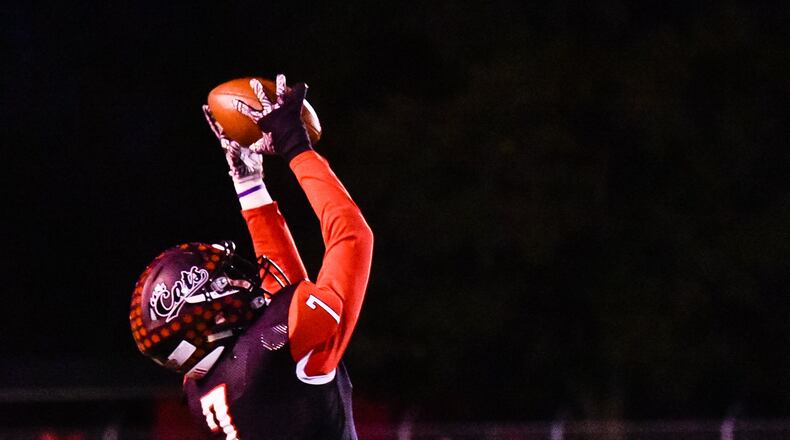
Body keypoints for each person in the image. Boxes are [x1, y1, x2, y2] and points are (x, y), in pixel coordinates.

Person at [129, 74, 374, 439]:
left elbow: (282, 298)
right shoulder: (280, 345)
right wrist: (296, 147)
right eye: (225, 281)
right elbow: (353, 237)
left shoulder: (201, 388)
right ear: (213, 314)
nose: (243, 279)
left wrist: (250, 186)